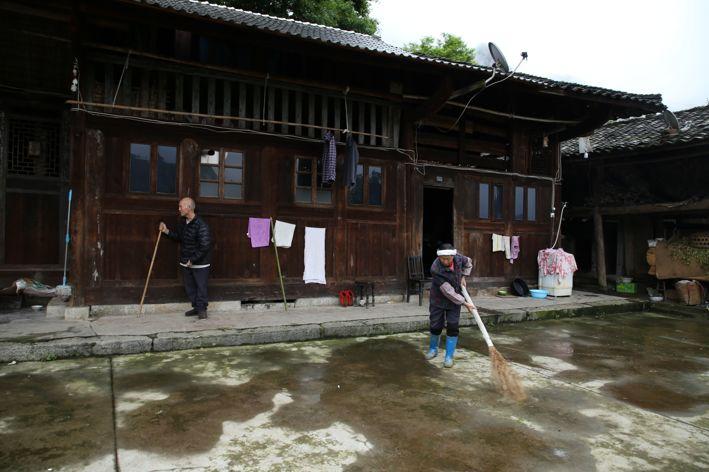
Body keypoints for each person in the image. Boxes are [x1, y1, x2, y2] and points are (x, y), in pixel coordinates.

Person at [159, 197, 212, 319]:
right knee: (190, 287)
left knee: (201, 287)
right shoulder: (183, 222)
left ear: (189, 207)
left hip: (199, 263)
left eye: (180, 206)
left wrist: (193, 259)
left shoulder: (201, 225)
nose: (179, 209)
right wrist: (166, 231)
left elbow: (204, 246)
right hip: (185, 261)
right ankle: (196, 307)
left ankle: (202, 310)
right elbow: (179, 237)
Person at [425, 243, 475, 367]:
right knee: (436, 325)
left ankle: (449, 356)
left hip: (455, 301)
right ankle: (433, 349)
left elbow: (469, 262)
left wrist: (463, 276)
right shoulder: (435, 268)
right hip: (438, 300)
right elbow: (448, 291)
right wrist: (464, 302)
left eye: (448, 258)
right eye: (442, 258)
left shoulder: (459, 258)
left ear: (453, 256)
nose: (445, 261)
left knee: (453, 326)